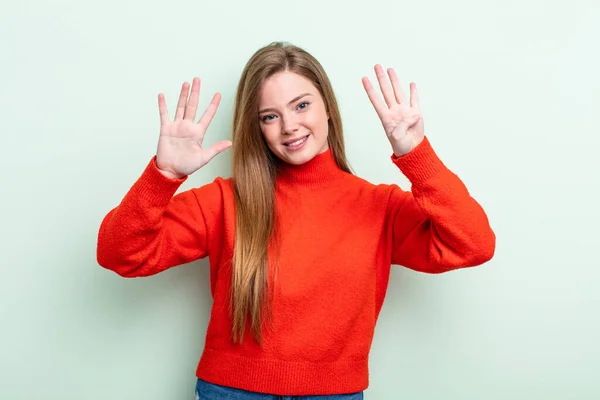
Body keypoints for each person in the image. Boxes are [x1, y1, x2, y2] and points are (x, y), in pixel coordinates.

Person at [96, 41, 495, 399]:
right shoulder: (224, 201)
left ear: (327, 108)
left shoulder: (379, 207)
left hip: (334, 395)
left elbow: (473, 244)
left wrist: (416, 154)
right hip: (231, 392)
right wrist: (163, 175)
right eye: (269, 116)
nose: (289, 127)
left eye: (301, 105)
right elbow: (120, 254)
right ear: (257, 128)